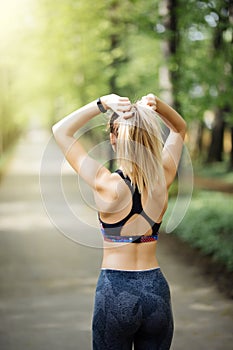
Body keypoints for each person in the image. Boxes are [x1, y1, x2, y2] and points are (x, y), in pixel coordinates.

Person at [52, 93, 186, 350]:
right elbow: (180, 129)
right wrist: (159, 106)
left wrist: (101, 103)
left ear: (114, 139)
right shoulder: (163, 178)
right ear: (147, 138)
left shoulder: (105, 184)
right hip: (156, 290)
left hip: (114, 291)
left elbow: (61, 131)